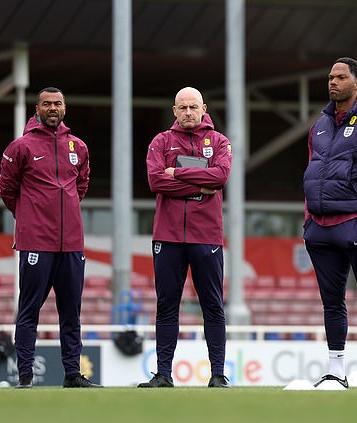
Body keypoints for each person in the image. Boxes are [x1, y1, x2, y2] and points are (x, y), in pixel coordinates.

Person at [0, 87, 100, 388]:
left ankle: (72, 374)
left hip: (71, 243)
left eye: (57, 104)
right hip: (36, 243)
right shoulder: (20, 147)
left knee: (72, 312)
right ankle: (26, 376)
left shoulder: (78, 147)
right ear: (37, 108)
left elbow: (81, 186)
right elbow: (6, 190)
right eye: (47, 104)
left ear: (64, 108)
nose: (52, 108)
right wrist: (30, 217)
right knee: (29, 309)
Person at [303, 57, 357, 389]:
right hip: (320, 228)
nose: (333, 82)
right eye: (330, 77)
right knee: (331, 301)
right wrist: (308, 219)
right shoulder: (318, 126)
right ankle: (335, 371)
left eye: (341, 77)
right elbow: (312, 176)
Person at [140, 87, 232, 388]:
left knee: (213, 305)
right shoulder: (161, 141)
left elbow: (219, 178)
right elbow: (156, 181)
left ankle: (218, 374)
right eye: (183, 107)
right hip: (167, 236)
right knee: (167, 305)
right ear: (174, 110)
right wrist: (199, 185)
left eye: (194, 106)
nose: (189, 112)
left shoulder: (219, 142)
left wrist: (176, 174)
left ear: (203, 108)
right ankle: (164, 374)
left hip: (207, 236)